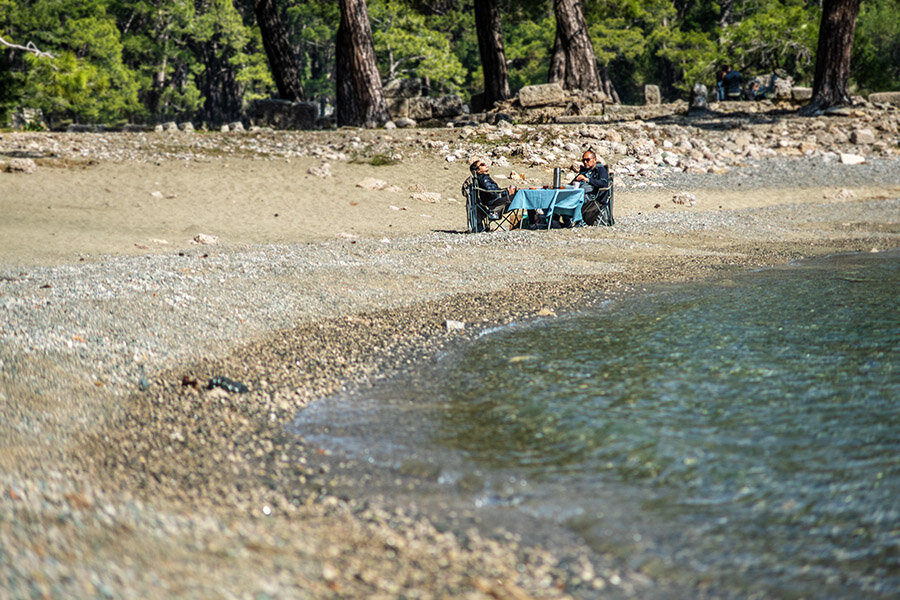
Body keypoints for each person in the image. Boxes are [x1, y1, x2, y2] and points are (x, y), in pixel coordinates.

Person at [570, 150, 612, 226]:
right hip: (581, 194)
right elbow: (572, 183)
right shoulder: (584, 171)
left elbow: (604, 183)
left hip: (595, 197)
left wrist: (587, 180)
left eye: (588, 160)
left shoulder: (601, 169)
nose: (585, 162)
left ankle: (579, 221)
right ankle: (559, 219)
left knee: (577, 199)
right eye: (583, 160)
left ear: (595, 159)